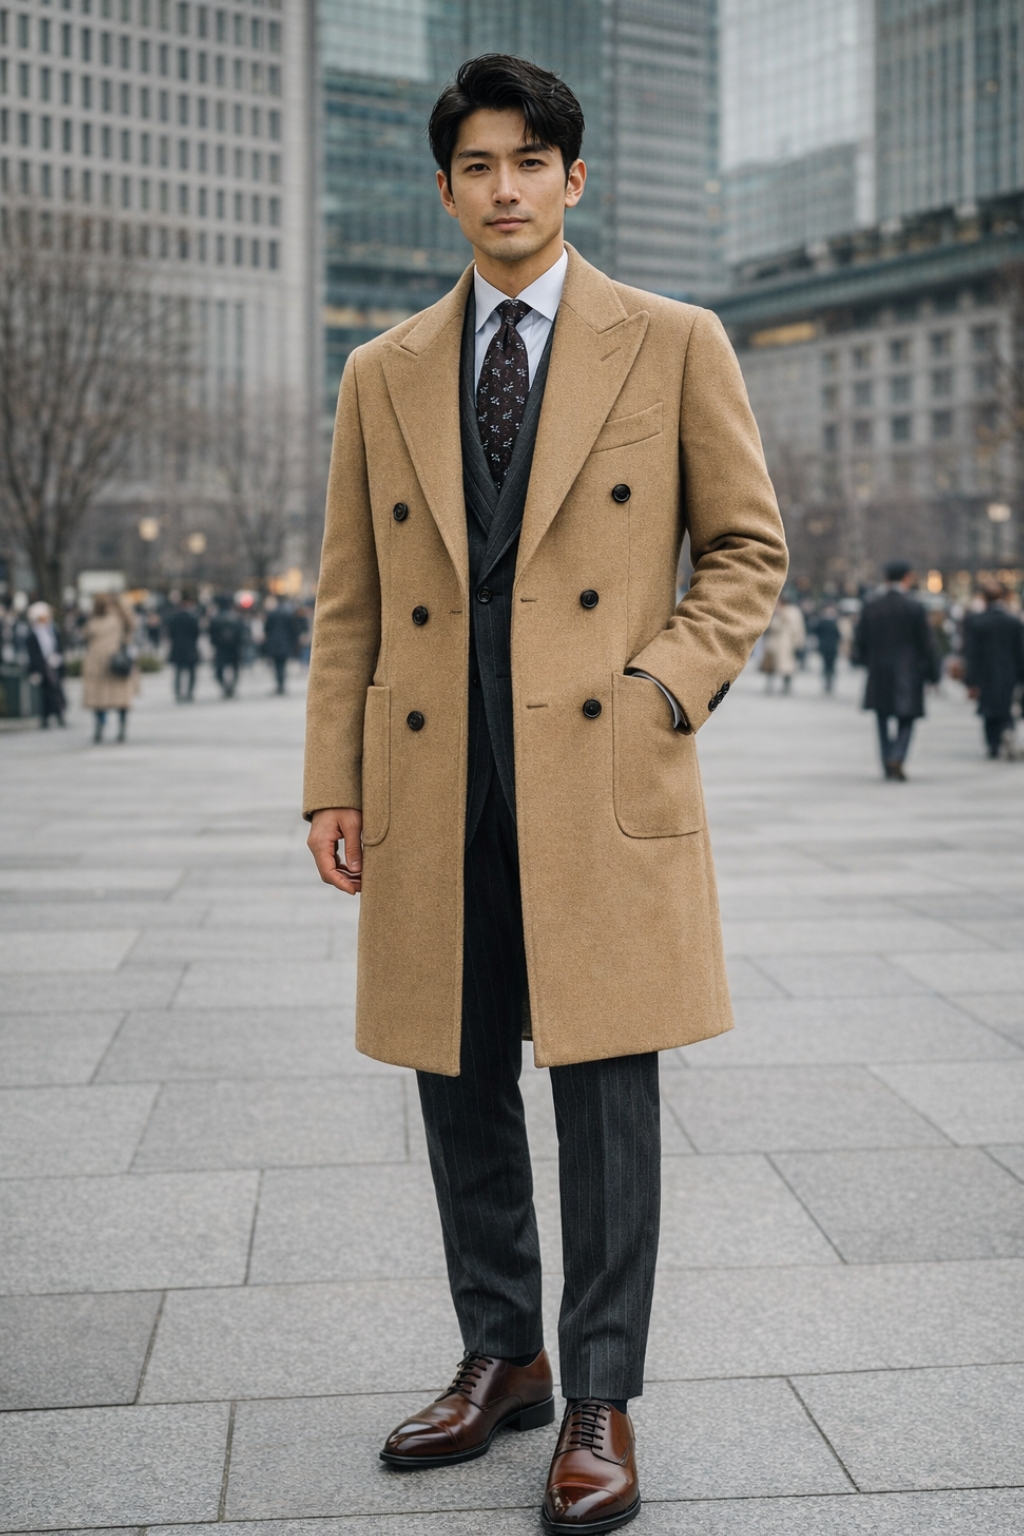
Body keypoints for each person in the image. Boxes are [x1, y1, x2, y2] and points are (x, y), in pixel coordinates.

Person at [303, 56, 787, 1536]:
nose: (503, 187)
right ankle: (501, 1351)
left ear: (573, 178)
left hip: (598, 771)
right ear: (446, 189)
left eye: (529, 162)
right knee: (458, 1088)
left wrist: (662, 693)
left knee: (605, 1098)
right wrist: (335, 778)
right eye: (476, 165)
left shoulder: (674, 339)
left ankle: (601, 1392)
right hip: (435, 775)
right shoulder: (381, 370)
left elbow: (748, 552)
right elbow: (349, 601)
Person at [853, 561, 939, 780]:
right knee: (907, 718)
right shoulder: (914, 606)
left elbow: (860, 639)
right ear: (907, 578)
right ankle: (898, 755)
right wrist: (933, 674)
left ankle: (887, 759)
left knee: (882, 718)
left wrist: (864, 661)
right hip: (909, 670)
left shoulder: (872, 604)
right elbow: (927, 643)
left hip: (879, 669)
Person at [963, 581, 1024, 758]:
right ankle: (1007, 729)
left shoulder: (977, 621)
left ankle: (993, 744)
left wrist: (970, 680)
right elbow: (1020, 651)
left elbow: (971, 653)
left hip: (985, 673)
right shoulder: (1013, 622)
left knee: (988, 709)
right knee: (1005, 706)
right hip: (1008, 671)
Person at [82, 593, 137, 743]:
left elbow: (85, 637)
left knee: (100, 700)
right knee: (118, 699)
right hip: (113, 661)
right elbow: (131, 623)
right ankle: (120, 729)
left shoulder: (94, 621)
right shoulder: (116, 619)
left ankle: (101, 728)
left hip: (102, 663)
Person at [25, 601, 67, 728]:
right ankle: (45, 718)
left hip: (54, 666)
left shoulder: (53, 631)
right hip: (42, 667)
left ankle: (60, 715)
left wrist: (58, 658)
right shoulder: (32, 635)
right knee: (44, 695)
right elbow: (32, 654)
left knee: (57, 691)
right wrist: (34, 671)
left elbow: (58, 647)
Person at [760, 594, 806, 693]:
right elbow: (770, 627)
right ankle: (770, 685)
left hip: (787, 644)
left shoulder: (792, 612)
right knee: (771, 666)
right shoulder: (775, 612)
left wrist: (799, 642)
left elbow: (798, 628)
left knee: (786, 666)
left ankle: (786, 686)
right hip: (774, 643)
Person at [208, 596, 246, 698]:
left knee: (219, 670)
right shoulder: (236, 617)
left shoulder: (215, 618)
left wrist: (215, 644)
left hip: (221, 648)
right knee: (235, 669)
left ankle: (226, 687)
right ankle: (231, 687)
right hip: (234, 648)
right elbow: (242, 632)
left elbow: (211, 634)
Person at [167, 594, 200, 702]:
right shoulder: (193, 618)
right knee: (191, 673)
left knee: (178, 672)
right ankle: (189, 692)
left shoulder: (174, 618)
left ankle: (178, 692)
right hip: (190, 648)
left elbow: (170, 633)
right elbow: (197, 633)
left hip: (177, 648)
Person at [262, 597, 299, 695]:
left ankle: (279, 684)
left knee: (277, 665)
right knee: (282, 665)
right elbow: (293, 630)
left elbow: (266, 629)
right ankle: (281, 684)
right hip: (285, 643)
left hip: (274, 643)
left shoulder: (271, 614)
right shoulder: (288, 615)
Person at [815, 604, 841, 693]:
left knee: (831, 665)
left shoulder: (835, 621)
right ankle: (827, 679)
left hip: (831, 647)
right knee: (826, 664)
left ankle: (829, 679)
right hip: (826, 646)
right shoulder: (822, 621)